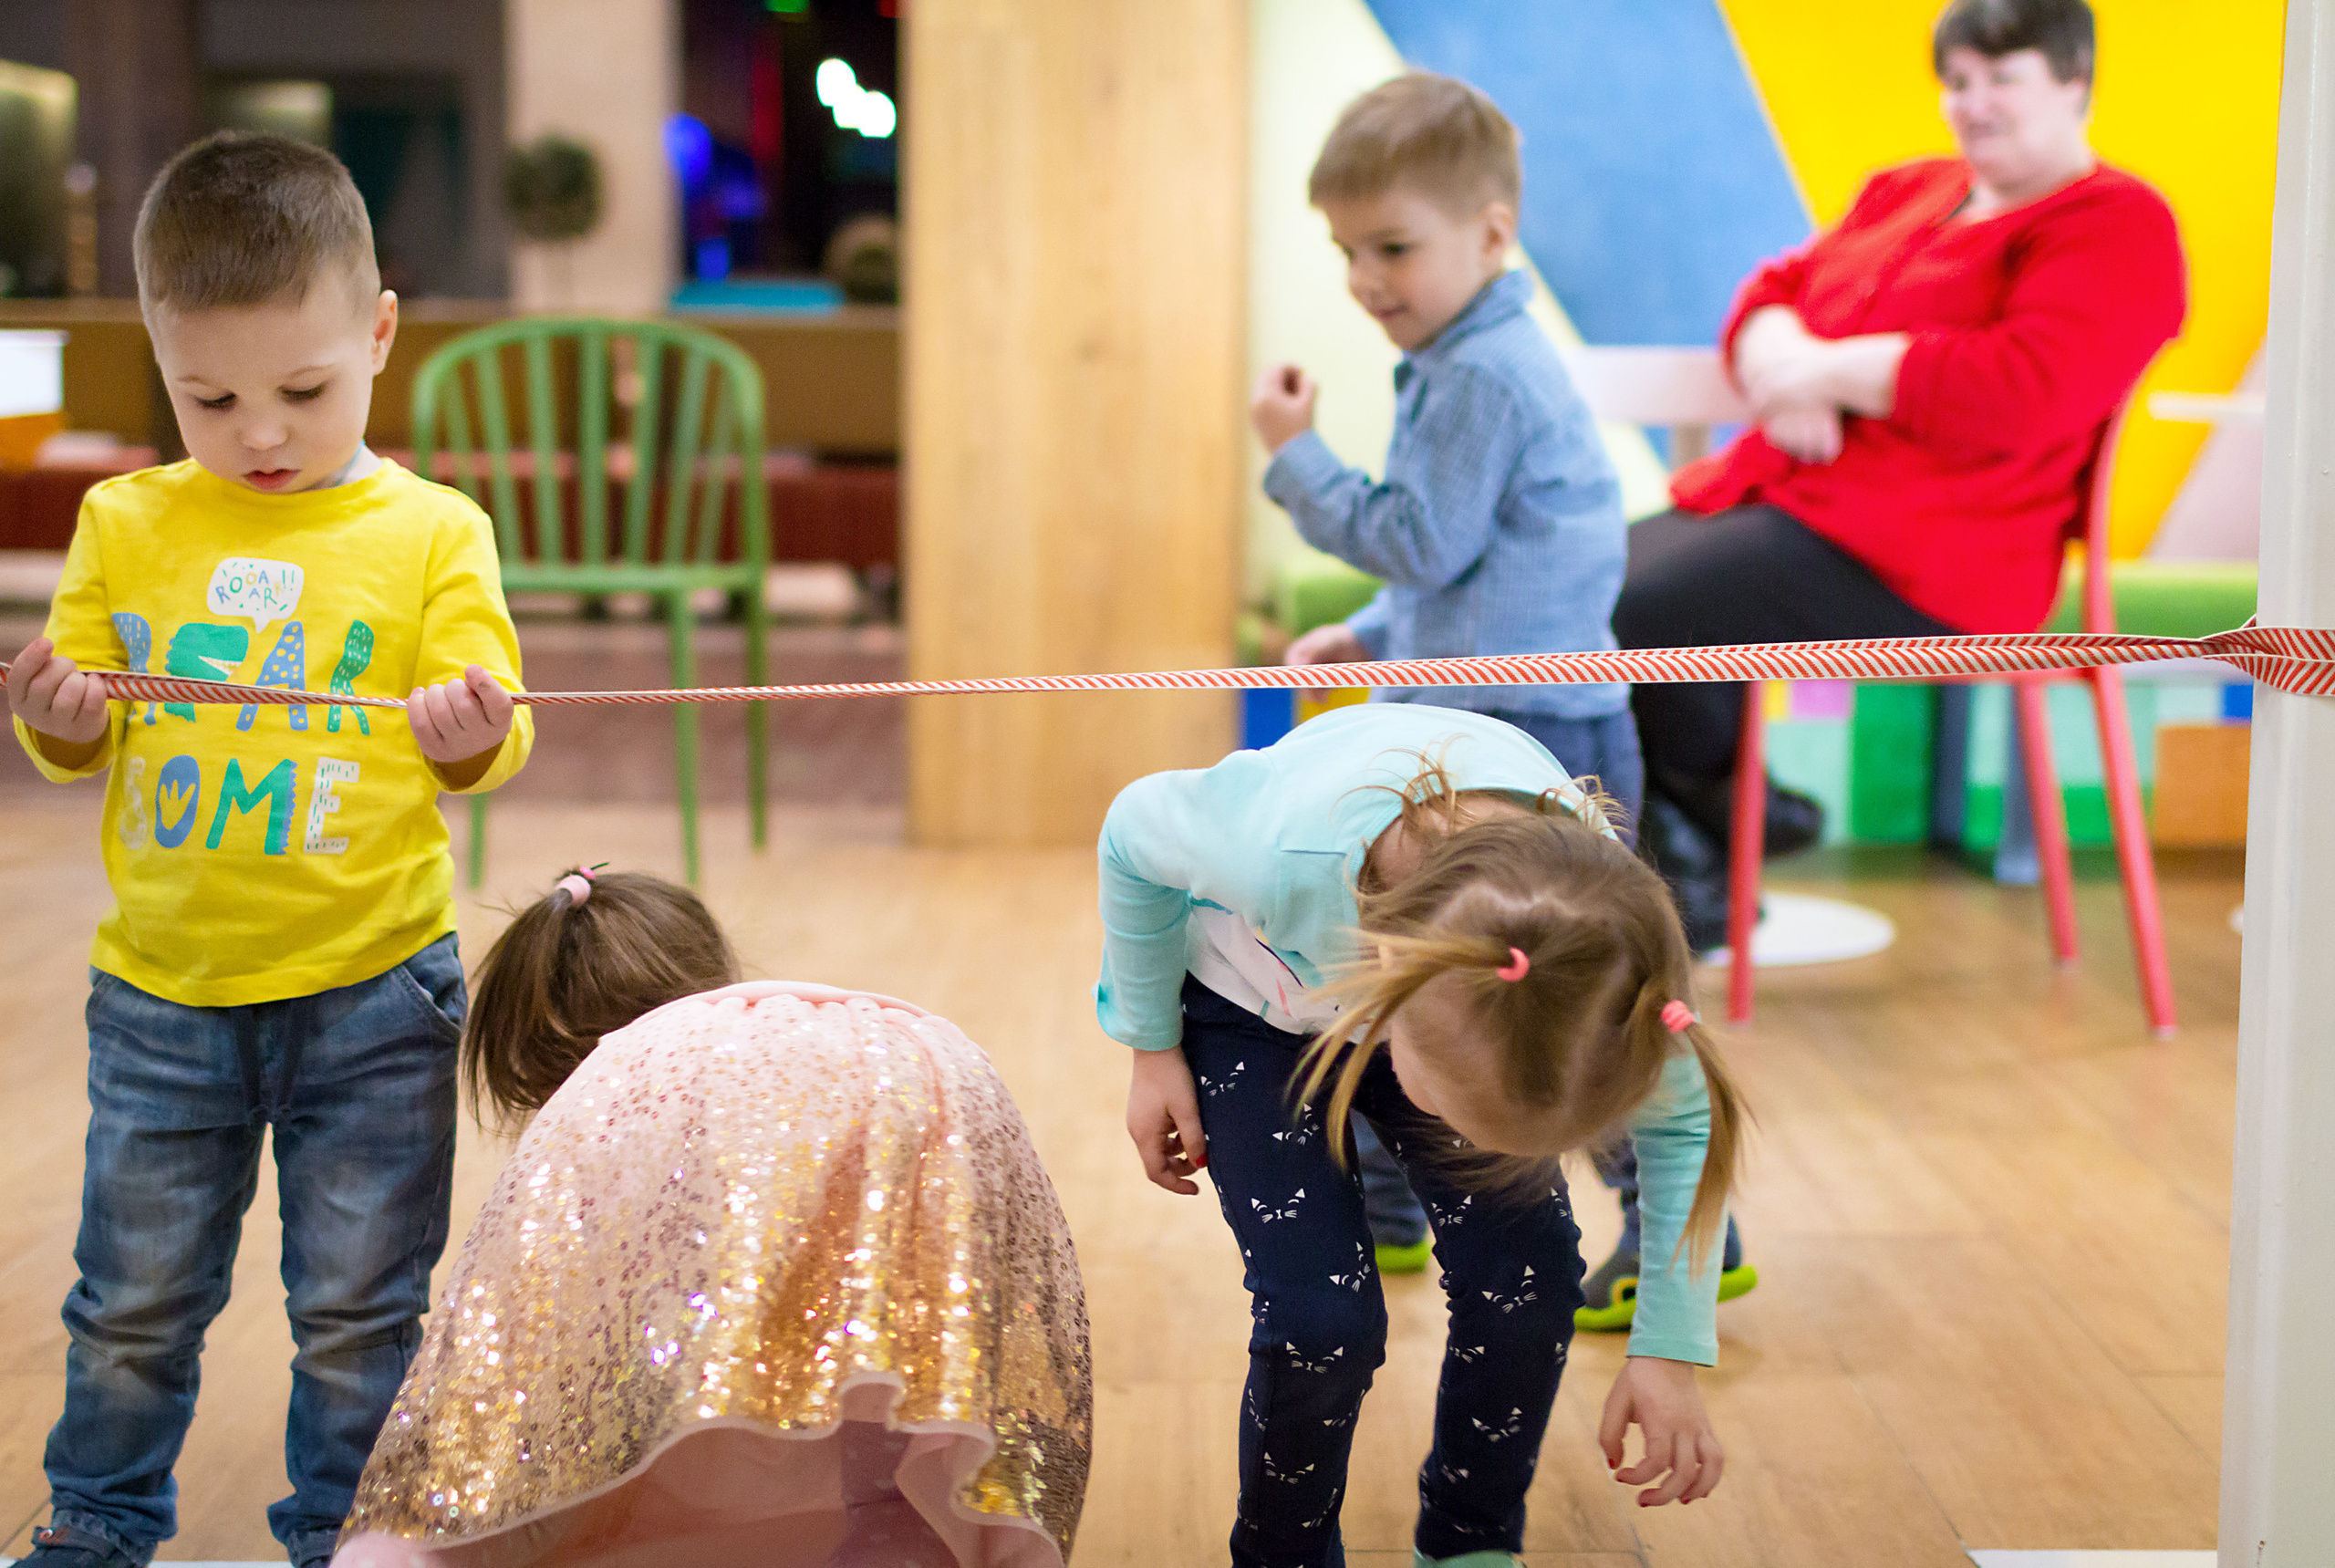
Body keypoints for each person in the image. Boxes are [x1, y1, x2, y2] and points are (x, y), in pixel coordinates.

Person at [3, 132, 533, 1568]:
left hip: (374, 988)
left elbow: (488, 745)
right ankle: (99, 1525)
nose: (258, 433)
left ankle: (349, 1534)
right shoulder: (125, 519)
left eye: (302, 389)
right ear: (160, 360)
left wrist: (462, 729)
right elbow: (81, 735)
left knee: (362, 1306)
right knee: (130, 1299)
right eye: (206, 396)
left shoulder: (434, 532)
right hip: (164, 994)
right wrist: (53, 717)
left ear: (376, 333)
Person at [1096, 703, 1744, 1568]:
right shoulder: (1278, 854)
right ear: (1395, 987)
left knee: (1531, 1276)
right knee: (1318, 1321)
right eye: (1460, 1115)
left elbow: (1686, 1127)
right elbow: (1133, 828)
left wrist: (1667, 1351)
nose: (1455, 1135)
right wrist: (1152, 1045)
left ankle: (1471, 1540)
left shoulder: (1596, 966)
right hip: (1251, 1002)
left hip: (1446, 1007)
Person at [1617, 0, 2186, 950]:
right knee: (1593, 578)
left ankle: (1703, 842)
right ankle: (1722, 820)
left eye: (2003, 76)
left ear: (2074, 79)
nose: (1973, 102)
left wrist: (1833, 370)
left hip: (1942, 554)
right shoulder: (1910, 188)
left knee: (1645, 605)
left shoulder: (2116, 224)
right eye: (1957, 80)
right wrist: (1779, 359)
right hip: (1796, 500)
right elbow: (1773, 289)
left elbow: (2023, 391)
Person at [334, 869, 1091, 1568]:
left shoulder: (622, 1093)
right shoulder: (792, 1041)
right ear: (711, 971)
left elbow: (529, 1378)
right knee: (893, 1392)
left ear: (550, 1072)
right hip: (946, 1083)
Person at [1251, 73, 1642, 1276]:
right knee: (1421, 968)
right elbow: (1475, 567)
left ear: (1491, 232)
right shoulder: (1467, 353)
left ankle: (1674, 1214)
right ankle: (1391, 1200)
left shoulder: (1478, 373)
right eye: (1347, 249)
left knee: (1544, 998)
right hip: (1498, 715)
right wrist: (1376, 631)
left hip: (1518, 733)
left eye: (1395, 246)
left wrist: (1295, 458)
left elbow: (1424, 536)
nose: (1368, 279)